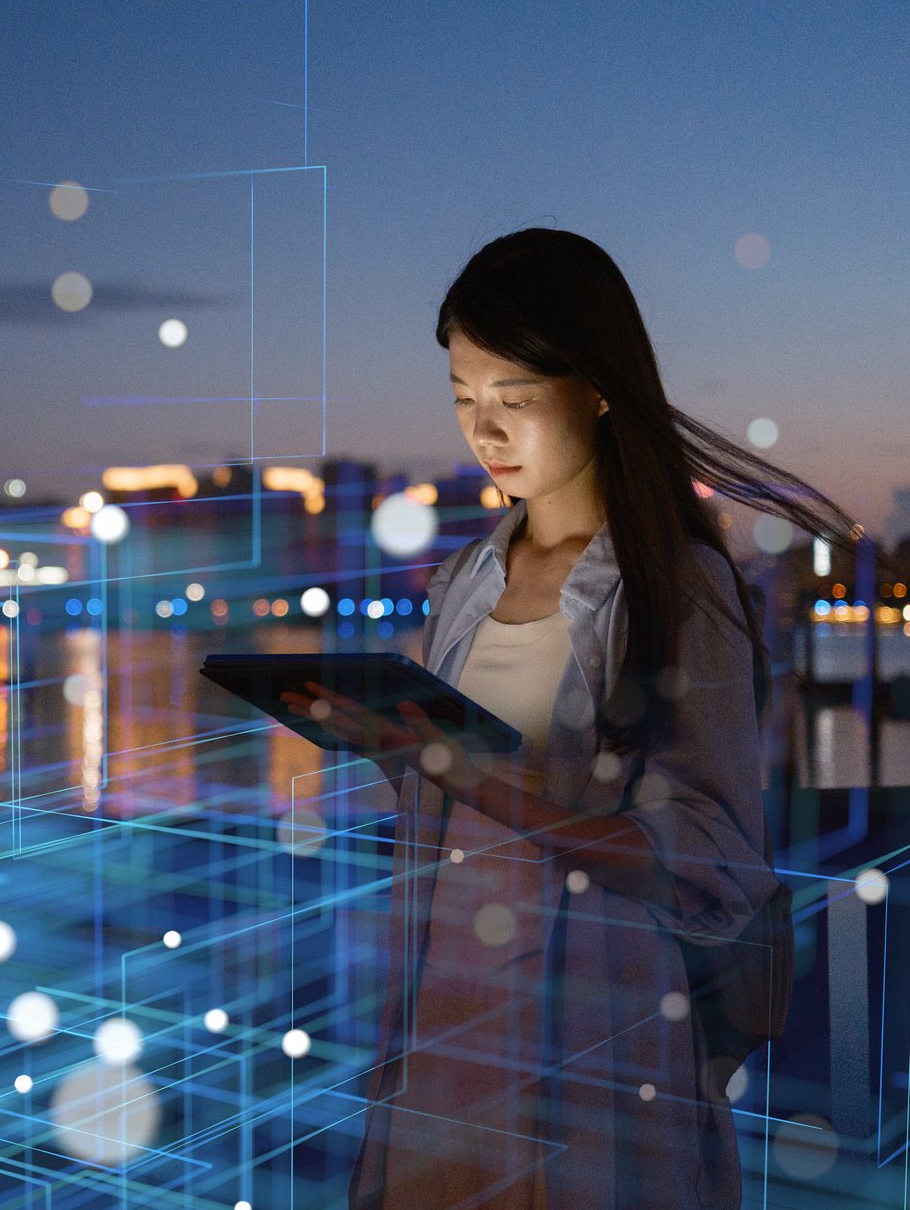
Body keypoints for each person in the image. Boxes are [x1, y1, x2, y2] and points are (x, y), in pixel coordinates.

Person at [281, 228, 883, 1209]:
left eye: (514, 399)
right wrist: (389, 747)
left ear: (597, 387)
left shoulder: (676, 593)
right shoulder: (464, 584)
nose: (485, 432)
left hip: (594, 1041)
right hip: (444, 1029)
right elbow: (455, 813)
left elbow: (713, 857)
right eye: (464, 399)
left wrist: (471, 773)